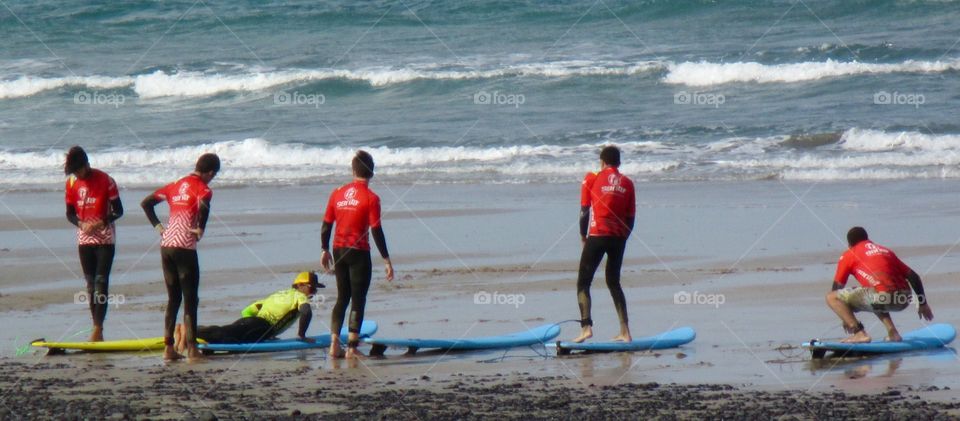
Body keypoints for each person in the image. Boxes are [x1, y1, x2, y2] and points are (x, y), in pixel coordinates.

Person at [141, 153, 220, 360]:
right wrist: (200, 228)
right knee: (190, 299)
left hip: (166, 244)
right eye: (213, 176)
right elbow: (204, 204)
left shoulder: (175, 185)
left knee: (173, 298)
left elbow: (146, 203)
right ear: (210, 173)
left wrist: (159, 227)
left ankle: (168, 349)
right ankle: (192, 349)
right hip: (184, 245)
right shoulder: (203, 188)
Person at [321, 150, 394, 359]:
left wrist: (324, 249)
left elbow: (327, 224)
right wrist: (387, 260)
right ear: (372, 172)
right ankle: (352, 348)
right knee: (358, 299)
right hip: (359, 253)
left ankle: (334, 343)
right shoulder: (372, 198)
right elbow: (376, 230)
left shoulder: (337, 193)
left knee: (342, 297)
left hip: (338, 250)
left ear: (353, 170)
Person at [827, 226, 934, 343]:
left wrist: (846, 317)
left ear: (849, 244)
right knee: (872, 292)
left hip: (882, 297)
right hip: (904, 299)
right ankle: (893, 333)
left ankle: (859, 333)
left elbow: (836, 291)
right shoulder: (885, 251)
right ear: (867, 238)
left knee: (831, 297)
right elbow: (913, 276)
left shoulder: (849, 254)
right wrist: (923, 304)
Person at [572, 145, 635, 343]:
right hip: (618, 238)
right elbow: (631, 217)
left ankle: (586, 328)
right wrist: (623, 238)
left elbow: (584, 211)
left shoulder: (591, 178)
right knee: (614, 282)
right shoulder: (628, 183)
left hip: (597, 236)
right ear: (619, 163)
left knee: (584, 282)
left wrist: (583, 236)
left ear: (602, 162)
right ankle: (625, 331)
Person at [63, 146, 123, 342]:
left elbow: (119, 211)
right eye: (74, 172)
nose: (78, 174)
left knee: (101, 282)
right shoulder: (71, 182)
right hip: (84, 238)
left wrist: (100, 222)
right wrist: (81, 224)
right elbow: (69, 214)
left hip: (105, 238)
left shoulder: (106, 180)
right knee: (90, 285)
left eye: (79, 170)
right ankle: (97, 328)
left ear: (87, 165)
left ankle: (98, 328)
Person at [173, 272, 320, 352]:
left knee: (226, 331)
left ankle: (189, 330)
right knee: (229, 339)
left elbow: (248, 310)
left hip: (253, 322)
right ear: (300, 286)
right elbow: (306, 312)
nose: (314, 292)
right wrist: (302, 335)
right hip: (262, 327)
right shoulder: (300, 296)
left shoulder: (279, 294)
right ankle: (190, 330)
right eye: (312, 288)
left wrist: (257, 328)